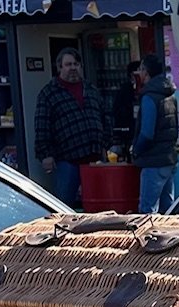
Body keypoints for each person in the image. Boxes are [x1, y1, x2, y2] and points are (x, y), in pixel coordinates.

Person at [34, 48, 110, 209]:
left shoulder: (91, 90)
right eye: (68, 64)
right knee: (63, 205)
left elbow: (106, 116)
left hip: (94, 157)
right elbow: (42, 125)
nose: (73, 68)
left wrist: (106, 143)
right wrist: (45, 154)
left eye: (76, 64)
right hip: (67, 159)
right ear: (59, 67)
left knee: (99, 206)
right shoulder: (49, 93)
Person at [132, 54, 179, 213]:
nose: (139, 73)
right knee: (168, 211)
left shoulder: (149, 96)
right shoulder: (170, 94)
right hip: (169, 158)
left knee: (147, 211)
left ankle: (149, 239)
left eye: (141, 69)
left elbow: (147, 133)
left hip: (153, 161)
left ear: (146, 71)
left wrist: (136, 150)